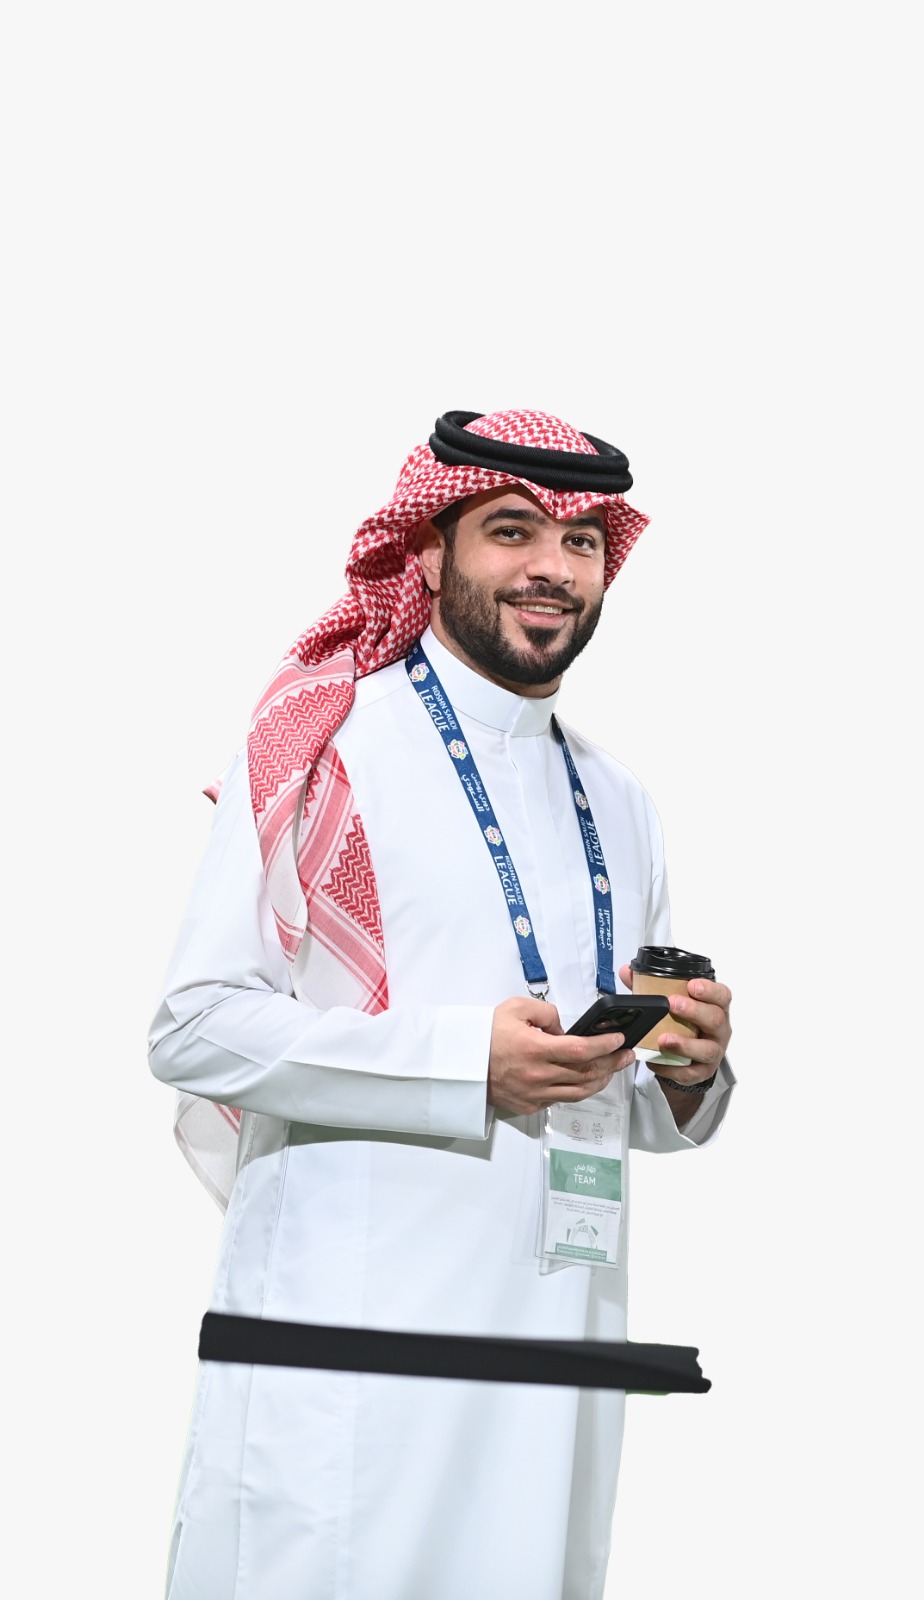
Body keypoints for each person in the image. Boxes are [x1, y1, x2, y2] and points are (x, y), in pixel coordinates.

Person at [149, 408, 734, 1600]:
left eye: (581, 541)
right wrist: (467, 1061)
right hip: (352, 1357)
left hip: (559, 1360)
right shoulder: (329, 749)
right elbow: (195, 1025)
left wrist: (685, 1075)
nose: (552, 566)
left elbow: (610, 1102)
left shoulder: (621, 799)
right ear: (425, 551)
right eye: (511, 531)